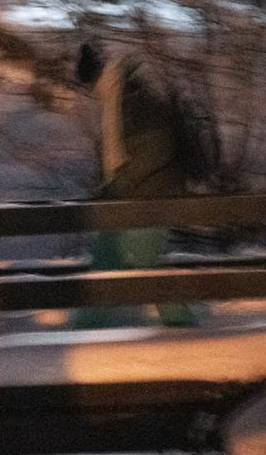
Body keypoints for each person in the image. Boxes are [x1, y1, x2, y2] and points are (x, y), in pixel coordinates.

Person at [72, 41, 203, 328]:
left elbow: (156, 147)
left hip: (147, 195)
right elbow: (120, 153)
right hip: (129, 195)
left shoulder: (130, 95)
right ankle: (83, 326)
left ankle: (182, 326)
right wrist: (111, 187)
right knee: (107, 257)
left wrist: (123, 184)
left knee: (146, 261)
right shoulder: (117, 94)